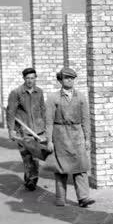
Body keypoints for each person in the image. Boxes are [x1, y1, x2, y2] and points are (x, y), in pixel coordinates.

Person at [45, 67, 95, 208]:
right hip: (60, 134)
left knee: (81, 166)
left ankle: (83, 198)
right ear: (60, 80)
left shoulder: (80, 97)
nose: (69, 80)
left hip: (77, 134)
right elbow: (48, 121)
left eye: (72, 78)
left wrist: (87, 138)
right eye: (66, 78)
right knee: (61, 168)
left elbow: (86, 119)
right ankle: (61, 198)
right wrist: (49, 140)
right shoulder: (53, 98)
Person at [6, 67, 47, 191]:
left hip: (38, 130)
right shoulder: (16, 93)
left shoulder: (39, 92)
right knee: (27, 156)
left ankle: (30, 178)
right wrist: (11, 130)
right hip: (23, 130)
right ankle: (31, 181)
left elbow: (43, 110)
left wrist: (46, 127)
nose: (30, 81)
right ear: (24, 78)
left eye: (32, 78)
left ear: (35, 78)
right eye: (28, 78)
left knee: (35, 156)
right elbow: (10, 112)